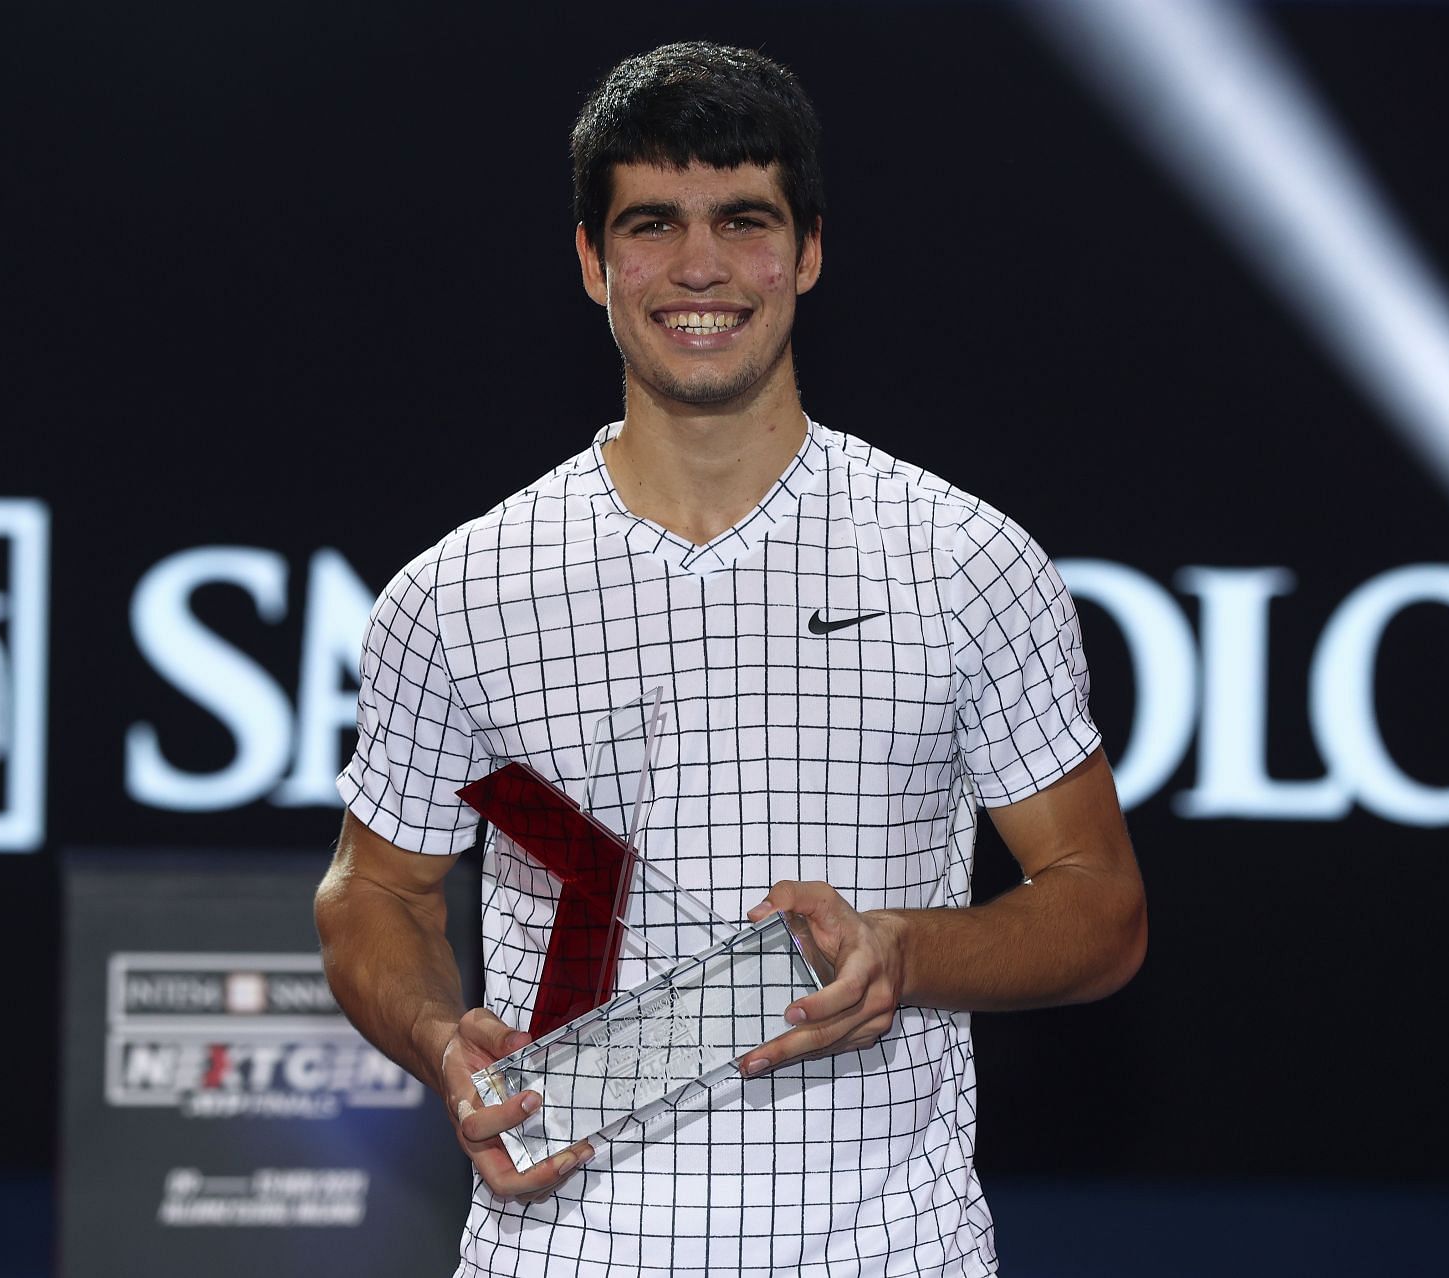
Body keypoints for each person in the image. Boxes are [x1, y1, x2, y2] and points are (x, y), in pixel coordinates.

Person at [315, 41, 1146, 1278]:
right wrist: (445, 1039)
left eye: (742, 220)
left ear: (807, 249)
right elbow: (372, 895)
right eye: (652, 224)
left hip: (887, 1252)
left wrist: (902, 952)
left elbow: (1101, 907)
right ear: (593, 260)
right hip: (561, 1253)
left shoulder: (965, 559)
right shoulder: (458, 591)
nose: (700, 268)